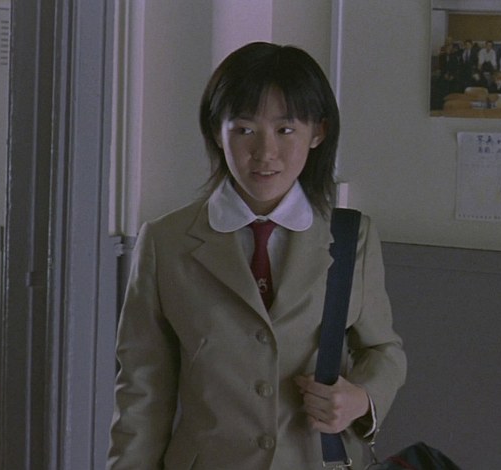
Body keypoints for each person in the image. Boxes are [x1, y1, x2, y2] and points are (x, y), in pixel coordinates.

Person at [107, 42, 407, 470]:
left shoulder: (350, 237)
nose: (265, 153)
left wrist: (362, 399)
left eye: (285, 130)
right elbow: (142, 389)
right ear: (217, 132)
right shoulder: (165, 241)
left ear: (317, 133)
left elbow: (383, 349)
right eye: (245, 129)